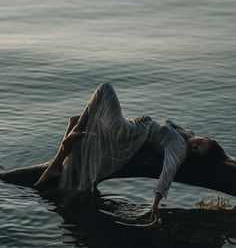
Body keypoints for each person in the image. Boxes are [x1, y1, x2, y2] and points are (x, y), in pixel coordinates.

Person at [34, 83, 231, 220]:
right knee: (75, 119)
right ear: (206, 137)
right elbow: (158, 128)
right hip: (130, 126)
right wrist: (144, 119)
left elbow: (167, 174)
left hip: (124, 135)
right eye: (201, 143)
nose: (195, 146)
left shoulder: (179, 149)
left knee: (104, 89)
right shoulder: (187, 133)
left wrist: (155, 203)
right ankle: (58, 161)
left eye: (197, 151)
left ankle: (57, 162)